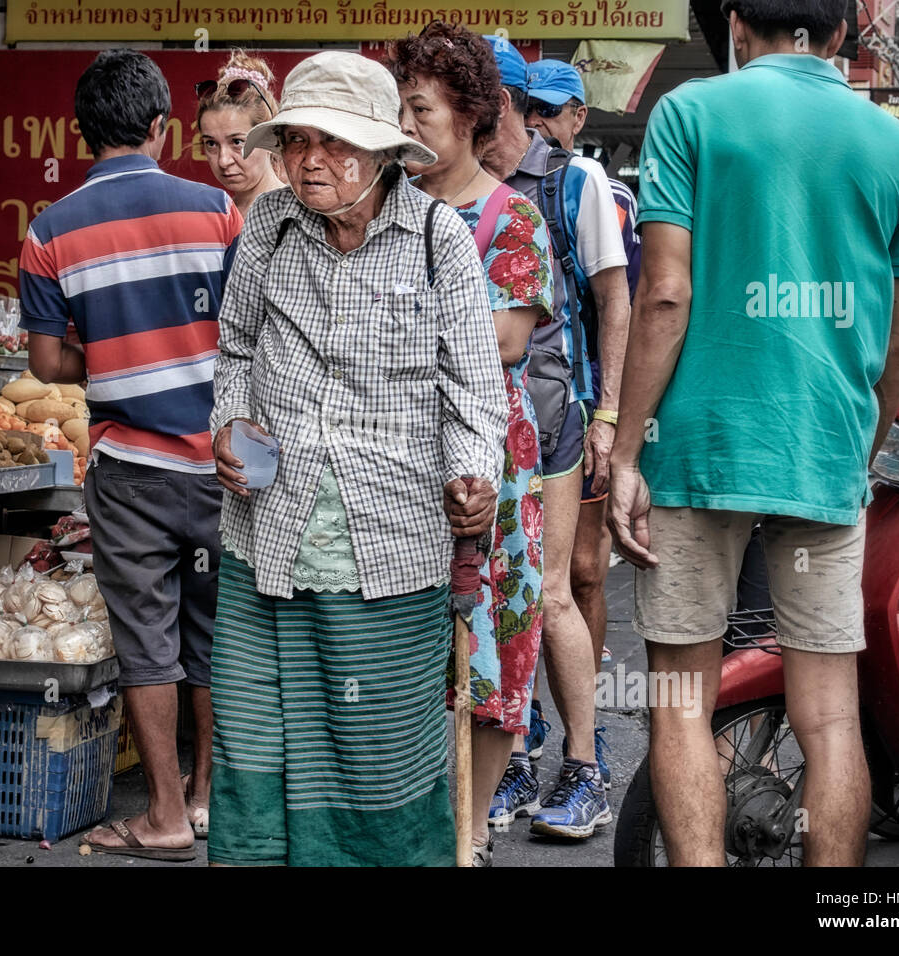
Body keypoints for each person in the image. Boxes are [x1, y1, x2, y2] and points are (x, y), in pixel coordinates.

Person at [610, 0, 899, 866]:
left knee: (680, 697)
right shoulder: (897, 146)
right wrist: (857, 453)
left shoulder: (690, 113)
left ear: (737, 23)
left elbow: (666, 295)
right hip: (824, 449)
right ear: (839, 34)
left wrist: (626, 446)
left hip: (696, 450)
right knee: (828, 712)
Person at [208, 50, 506, 867]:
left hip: (391, 542)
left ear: (382, 153)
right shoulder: (268, 226)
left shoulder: (440, 239)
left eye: (333, 144)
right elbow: (234, 351)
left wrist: (474, 474)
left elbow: (475, 393)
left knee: (376, 758)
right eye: (297, 140)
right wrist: (230, 421)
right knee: (259, 744)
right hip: (267, 534)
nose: (309, 160)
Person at [18, 50, 243, 861]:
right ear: (160, 128)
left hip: (131, 472)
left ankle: (164, 815)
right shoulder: (218, 210)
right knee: (215, 634)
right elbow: (248, 330)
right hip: (223, 464)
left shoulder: (49, 231)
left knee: (147, 641)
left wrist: (111, 357)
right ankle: (213, 796)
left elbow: (46, 367)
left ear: (83, 135)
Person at [386, 22, 555, 865]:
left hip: (490, 464)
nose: (407, 125)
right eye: (401, 107)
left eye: (421, 108)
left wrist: (387, 333)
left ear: (471, 116)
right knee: (404, 651)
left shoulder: (508, 215)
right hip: (389, 460)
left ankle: (473, 827)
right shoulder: (379, 211)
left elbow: (506, 339)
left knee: (492, 654)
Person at [478, 42, 632, 839]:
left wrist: (610, 418)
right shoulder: (447, 186)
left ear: (493, 102)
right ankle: (507, 764)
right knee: (490, 603)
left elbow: (617, 303)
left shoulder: (577, 182)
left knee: (554, 589)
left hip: (553, 416)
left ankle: (585, 767)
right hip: (473, 427)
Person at [195, 51, 286, 215]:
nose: (223, 161)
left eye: (237, 142)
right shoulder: (217, 217)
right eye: (211, 144)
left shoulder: (297, 214)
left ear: (268, 136)